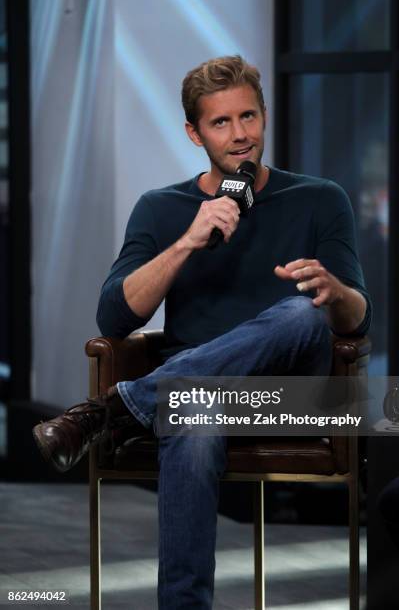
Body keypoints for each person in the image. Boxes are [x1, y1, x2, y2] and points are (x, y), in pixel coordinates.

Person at [33, 55, 371, 609]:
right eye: (221, 123)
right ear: (194, 132)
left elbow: (359, 319)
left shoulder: (319, 198)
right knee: (191, 403)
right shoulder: (162, 208)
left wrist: (336, 291)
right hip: (197, 395)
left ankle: (114, 410)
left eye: (249, 117)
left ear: (264, 117)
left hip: (289, 397)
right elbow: (115, 319)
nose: (241, 135)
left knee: (301, 313)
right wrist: (189, 241)